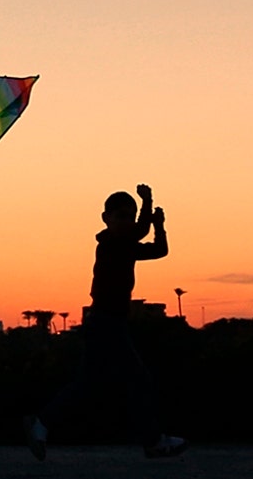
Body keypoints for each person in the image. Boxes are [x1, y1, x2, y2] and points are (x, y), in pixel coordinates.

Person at [27, 183, 186, 460]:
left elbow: (159, 249)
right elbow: (141, 232)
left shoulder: (123, 245)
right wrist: (148, 204)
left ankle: (41, 424)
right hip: (107, 323)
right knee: (139, 379)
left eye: (129, 215)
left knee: (87, 384)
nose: (126, 221)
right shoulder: (113, 244)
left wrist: (159, 224)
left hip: (106, 322)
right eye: (120, 215)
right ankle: (153, 441)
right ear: (106, 218)